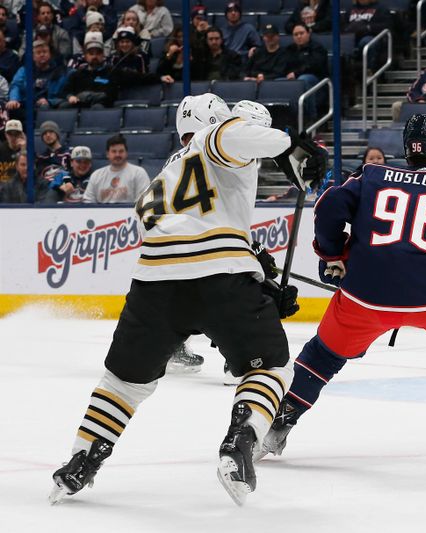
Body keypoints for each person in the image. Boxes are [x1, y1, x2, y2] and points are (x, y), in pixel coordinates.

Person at [50, 94, 327, 506]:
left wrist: (258, 274)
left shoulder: (166, 173)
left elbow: (197, 227)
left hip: (153, 283)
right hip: (218, 277)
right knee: (270, 367)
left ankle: (81, 461)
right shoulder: (217, 138)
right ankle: (241, 440)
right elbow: (241, 138)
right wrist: (290, 144)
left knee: (123, 384)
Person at [258, 113, 426, 461]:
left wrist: (333, 254)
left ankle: (277, 426)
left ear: (407, 149)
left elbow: (329, 205)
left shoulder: (372, 175)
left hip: (363, 293)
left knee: (324, 355)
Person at [82, 134, 150, 204]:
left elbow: (143, 203)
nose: (117, 154)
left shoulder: (139, 173)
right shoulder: (96, 175)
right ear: (107, 154)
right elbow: (88, 202)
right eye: (114, 151)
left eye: (121, 151)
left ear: (126, 153)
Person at [6, 39, 66, 115]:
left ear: (50, 54)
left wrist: (49, 101)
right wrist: (14, 99)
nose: (42, 55)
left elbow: (63, 94)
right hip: (27, 105)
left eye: (44, 52)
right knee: (11, 108)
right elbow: (16, 85)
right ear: (33, 57)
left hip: (49, 106)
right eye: (38, 53)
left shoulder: (59, 72)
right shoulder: (24, 71)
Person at [61, 32, 116, 108]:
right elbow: (65, 91)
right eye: (91, 53)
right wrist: (70, 97)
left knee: (97, 107)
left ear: (103, 55)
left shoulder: (110, 72)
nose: (94, 56)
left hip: (102, 107)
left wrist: (89, 96)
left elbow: (111, 94)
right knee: (64, 106)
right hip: (79, 105)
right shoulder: (77, 74)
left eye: (98, 53)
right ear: (85, 56)